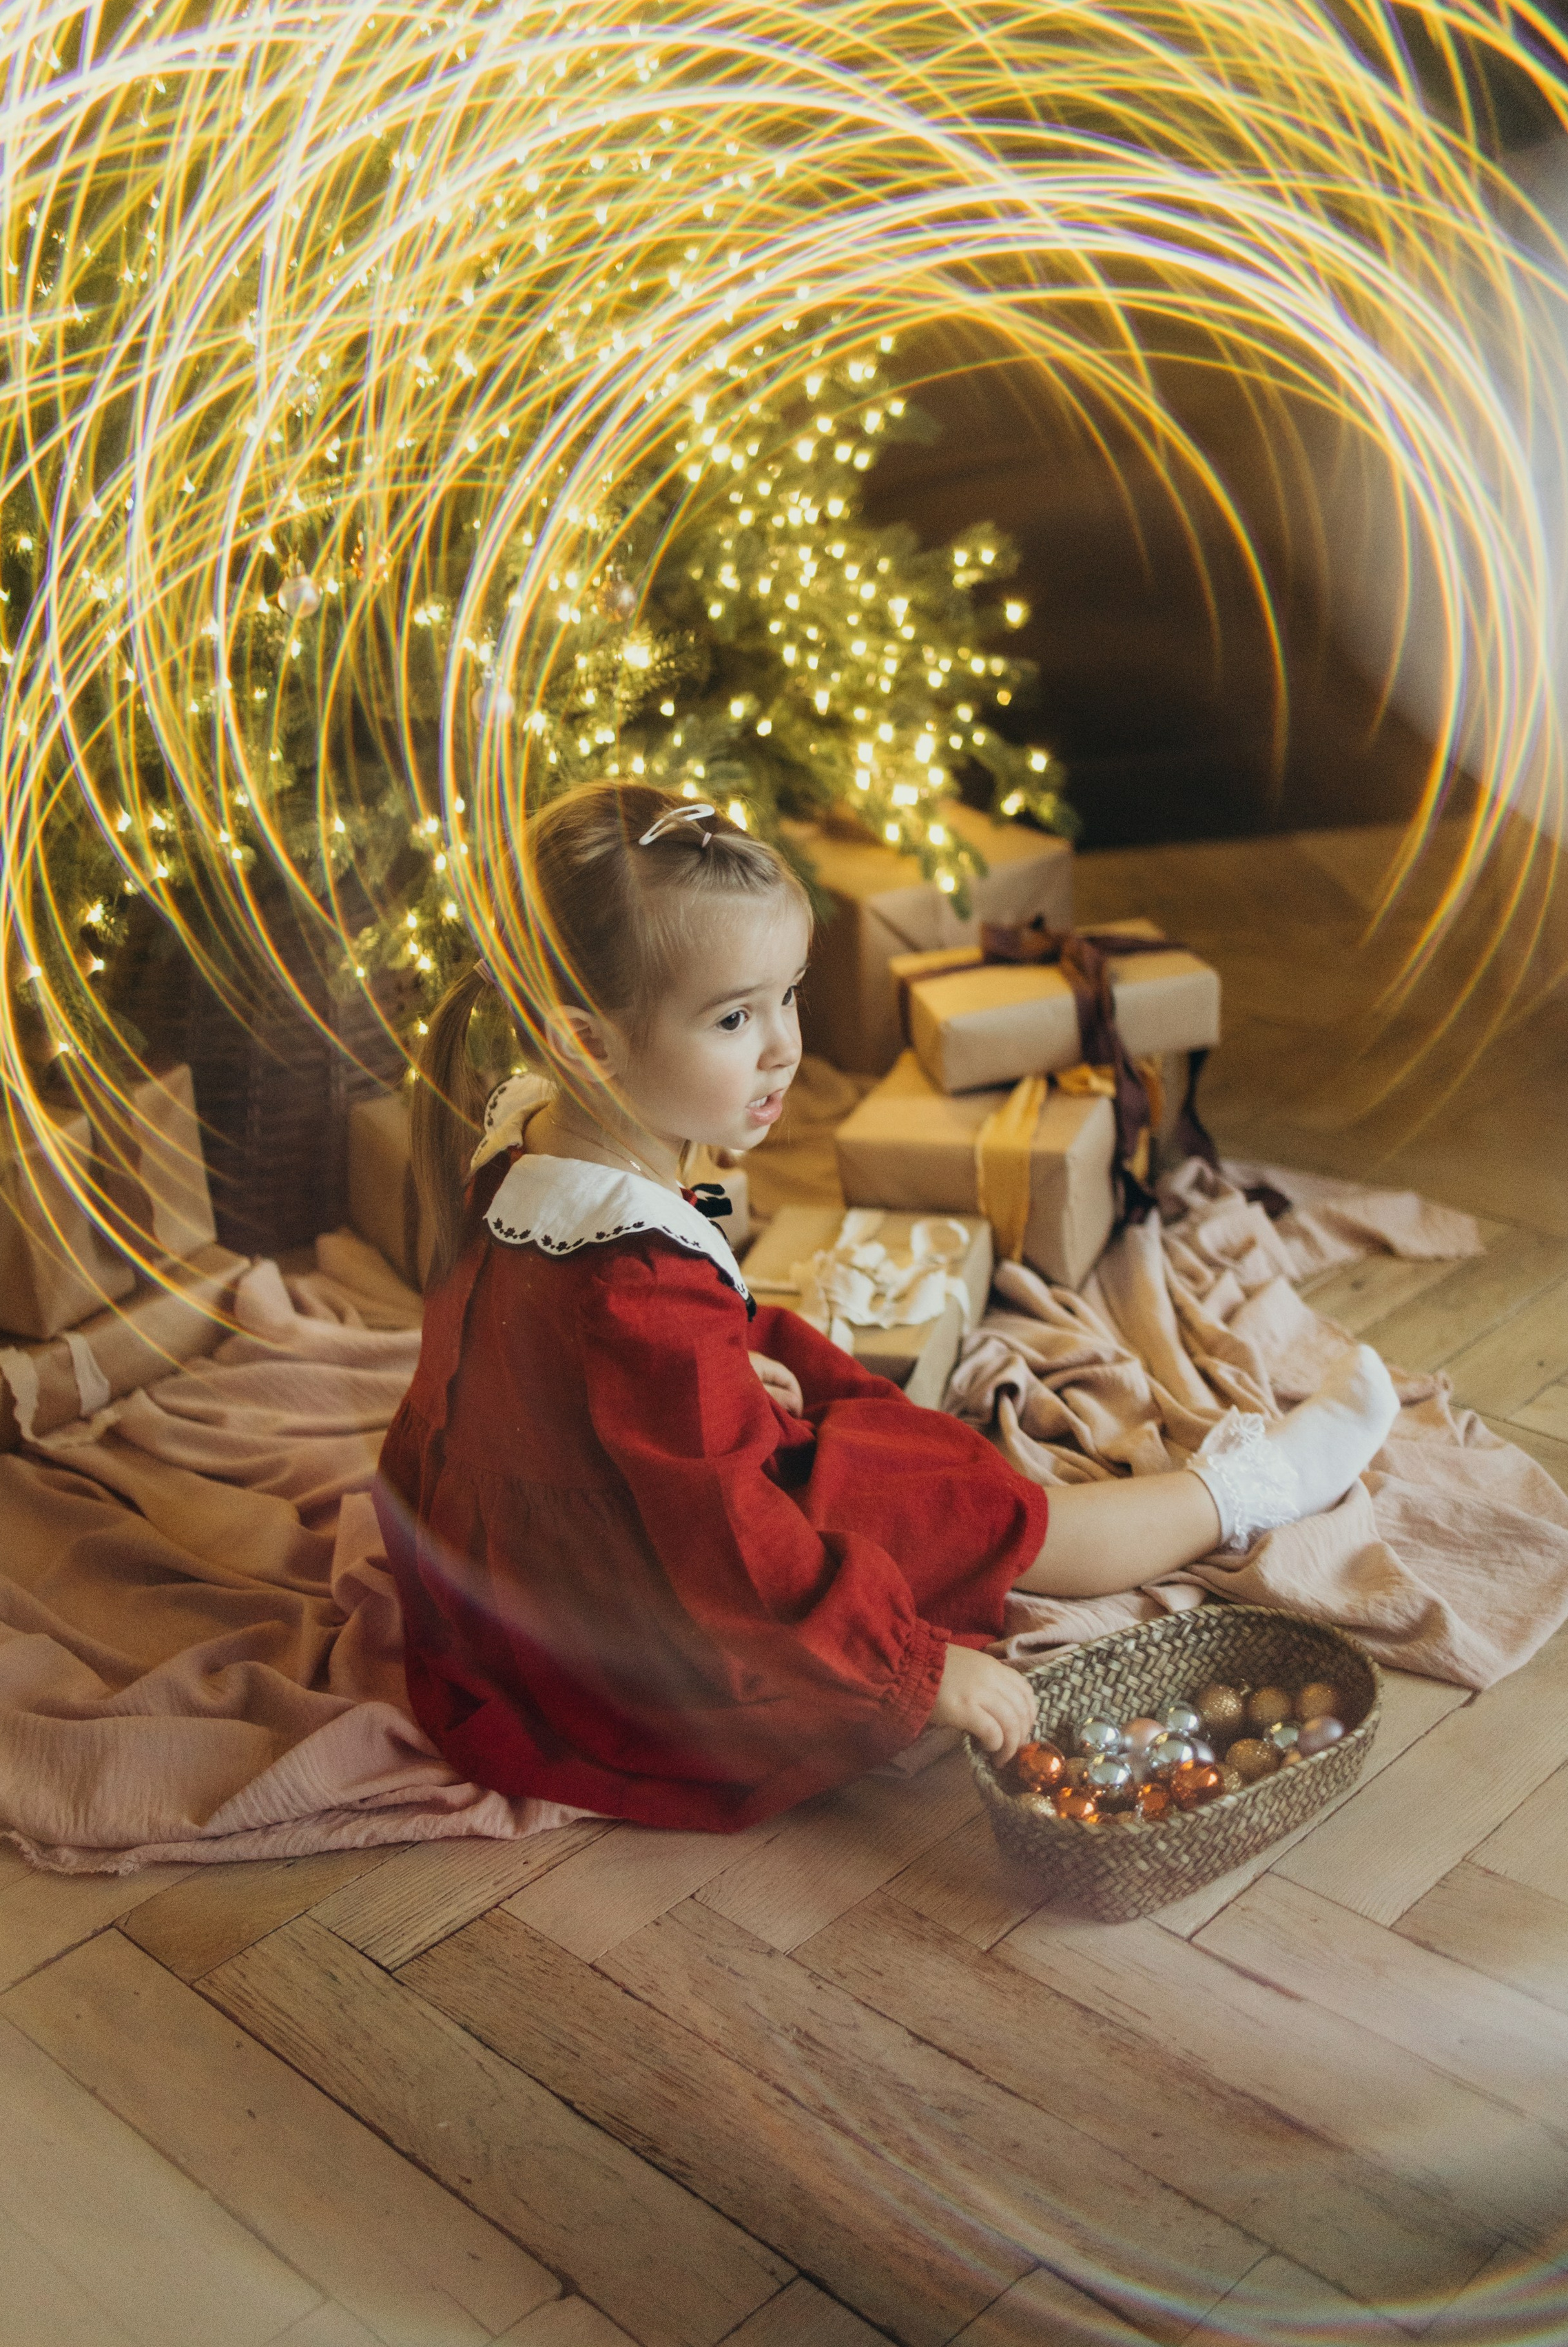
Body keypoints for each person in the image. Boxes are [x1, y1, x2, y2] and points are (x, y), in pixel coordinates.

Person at [375, 780, 1397, 1831]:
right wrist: (914, 1675)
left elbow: (543, 1375)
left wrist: (715, 1378)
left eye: (790, 995)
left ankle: (1142, 1490)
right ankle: (1240, 1493)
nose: (784, 1047)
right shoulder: (640, 1302)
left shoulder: (527, 1146)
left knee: (835, 1394)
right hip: (627, 1635)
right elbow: (731, 1563)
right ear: (588, 1043)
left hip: (531, 1564)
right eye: (735, 1017)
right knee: (956, 1504)